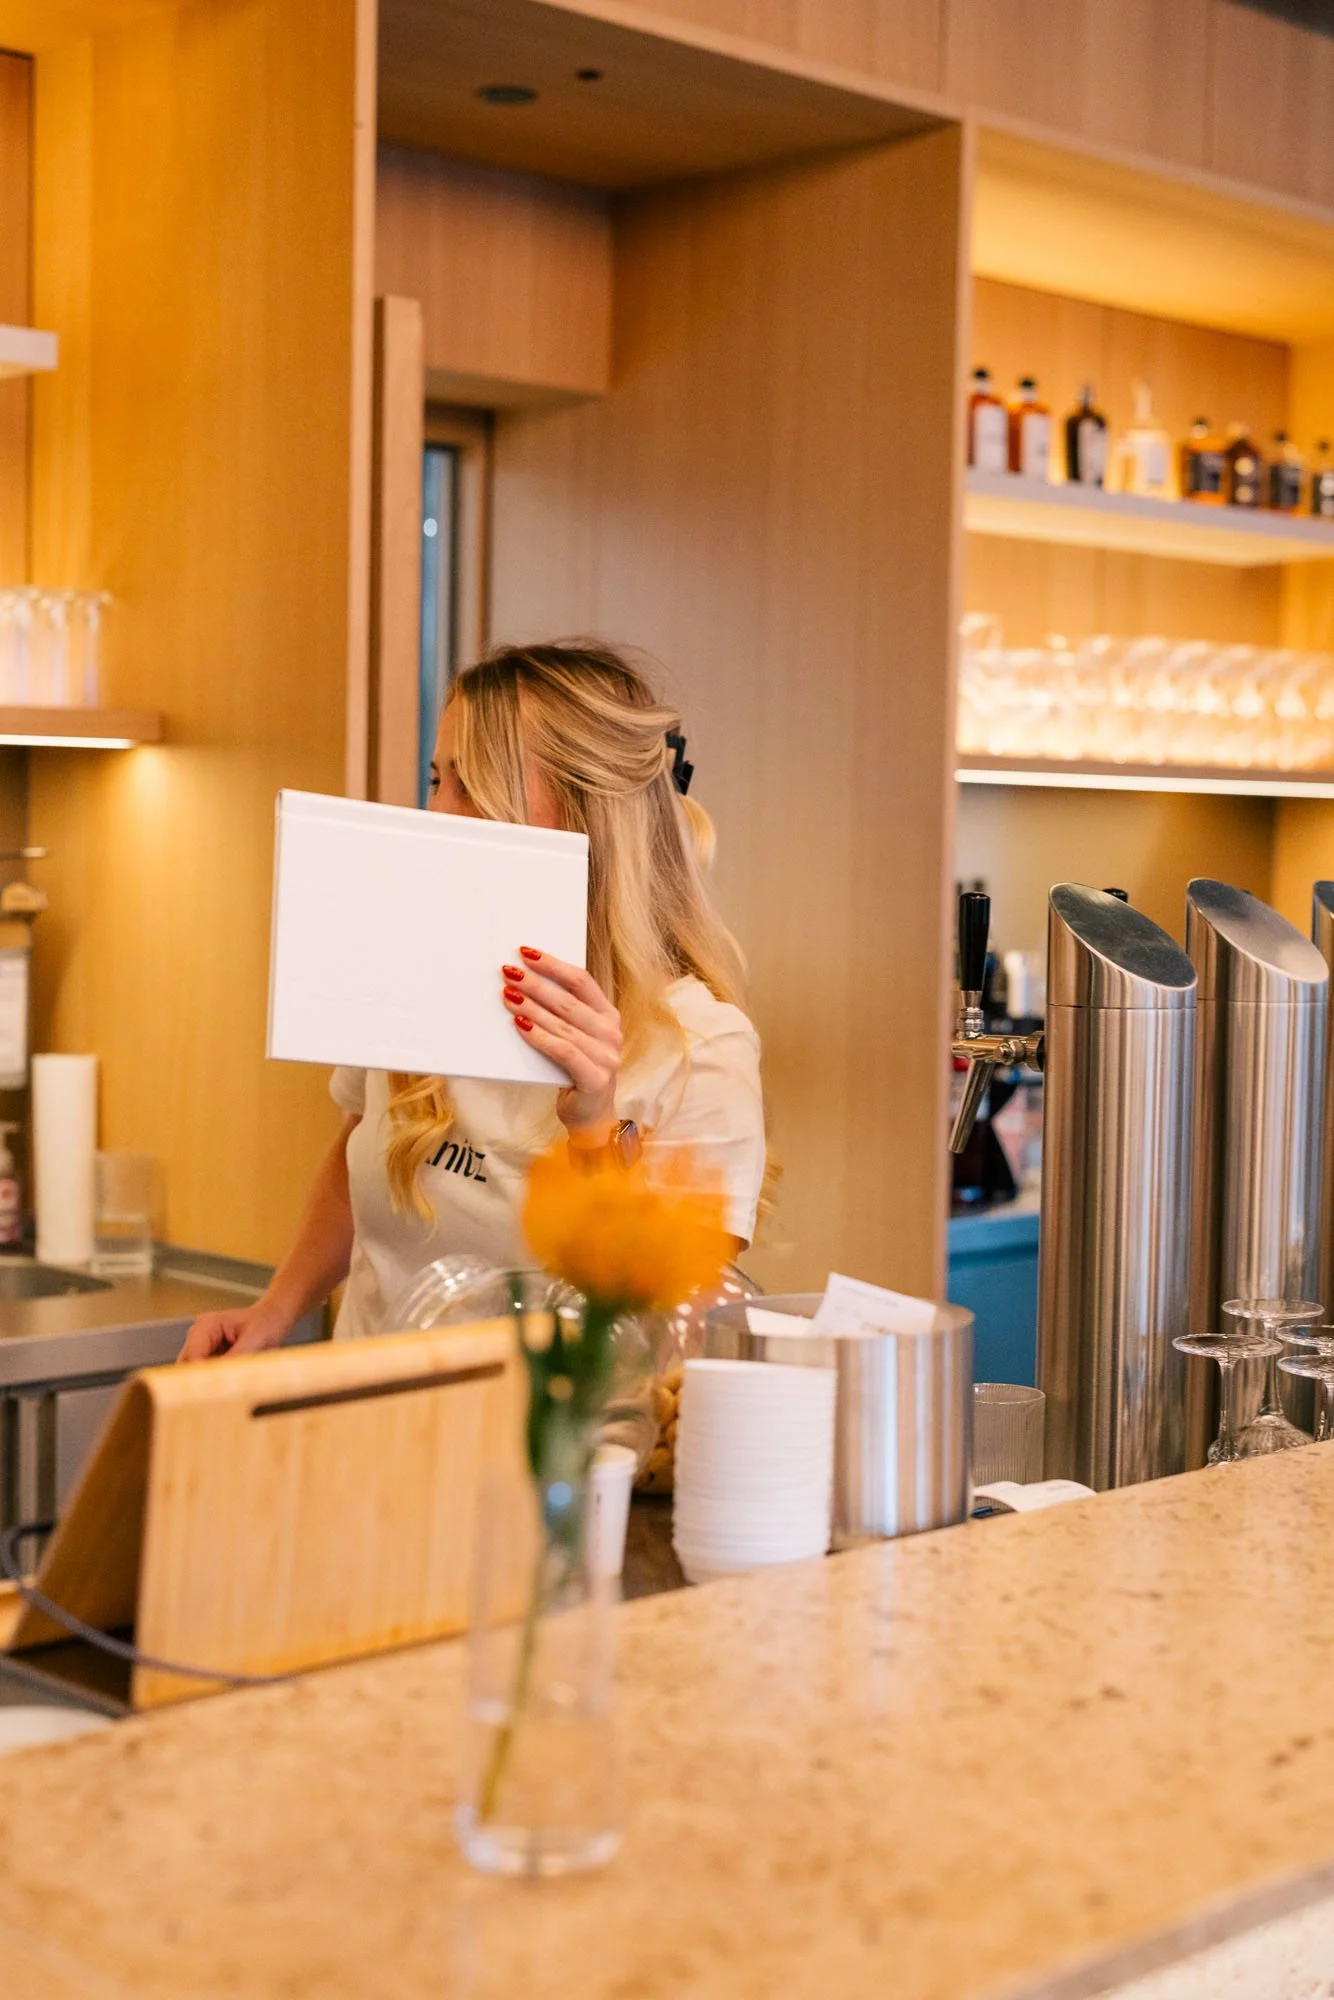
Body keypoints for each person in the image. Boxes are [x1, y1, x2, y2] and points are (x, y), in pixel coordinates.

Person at [181, 640, 766, 1358]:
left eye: (473, 785)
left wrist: (592, 1128)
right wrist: (276, 1309)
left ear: (588, 813)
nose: (437, 813)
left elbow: (666, 1328)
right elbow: (355, 1156)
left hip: (548, 1429)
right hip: (367, 1408)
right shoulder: (408, 974)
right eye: (437, 780)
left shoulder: (702, 1047)